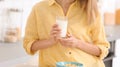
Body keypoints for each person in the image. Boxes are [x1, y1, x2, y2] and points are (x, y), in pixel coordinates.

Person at [23, 0, 110, 67]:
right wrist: (50, 41)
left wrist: (77, 43)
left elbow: (102, 50)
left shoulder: (90, 9)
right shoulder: (39, 9)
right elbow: (29, 45)